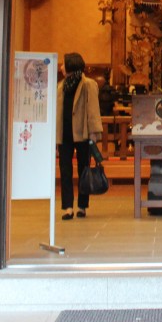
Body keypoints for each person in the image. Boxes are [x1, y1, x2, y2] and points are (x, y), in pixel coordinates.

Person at [56, 52, 102, 220]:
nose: (61, 67)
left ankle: (82, 206)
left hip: (82, 133)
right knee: (65, 170)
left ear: (70, 66)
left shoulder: (88, 84)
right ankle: (67, 207)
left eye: (63, 64)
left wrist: (94, 132)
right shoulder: (60, 86)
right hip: (65, 133)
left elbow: (93, 110)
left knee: (84, 170)